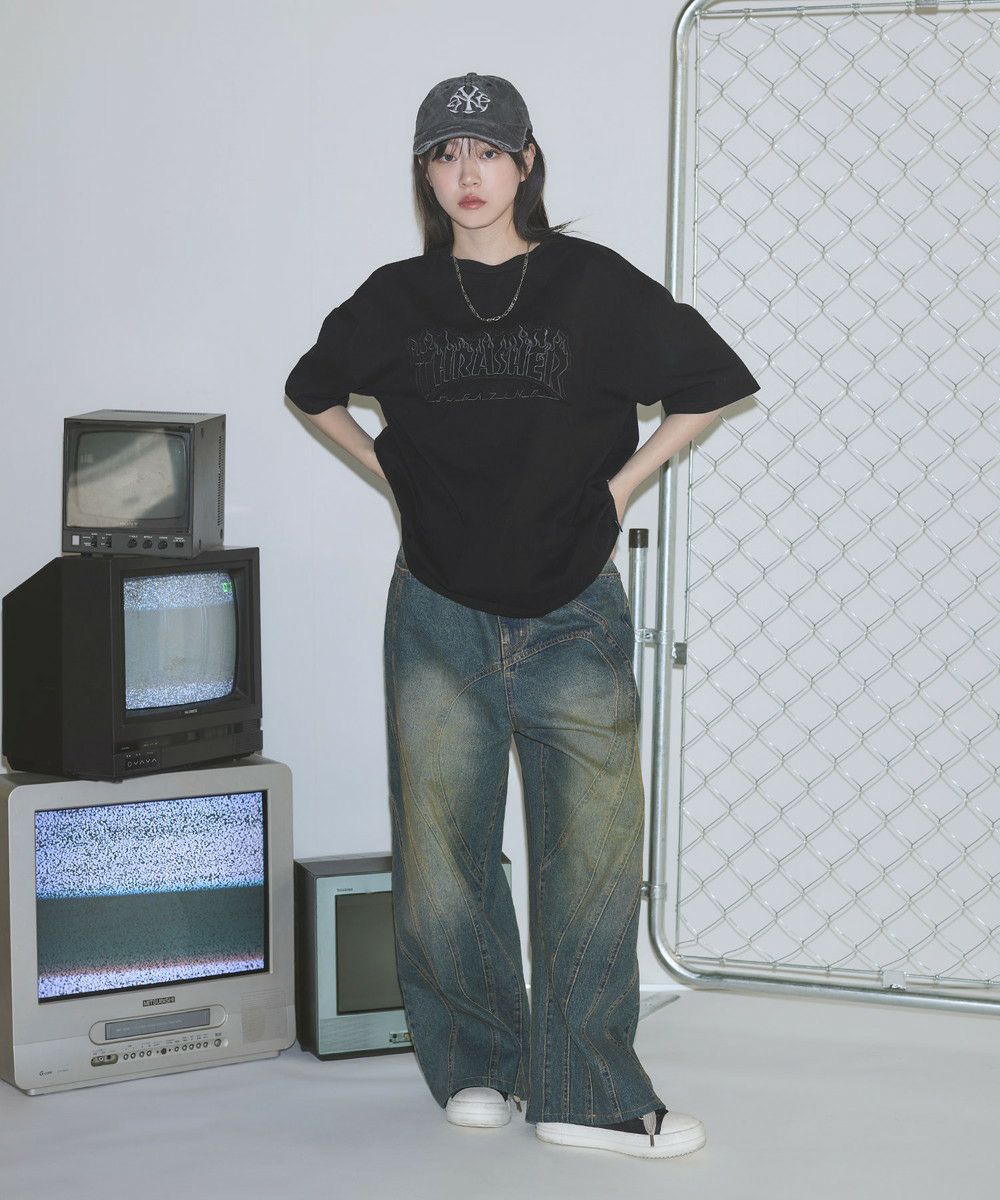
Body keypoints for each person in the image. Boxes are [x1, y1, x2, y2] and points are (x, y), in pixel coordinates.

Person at [284, 71, 761, 1160]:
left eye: (488, 151)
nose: (468, 172)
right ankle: (477, 1063)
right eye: (446, 153)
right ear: (424, 172)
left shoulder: (593, 285)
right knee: (442, 859)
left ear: (526, 163)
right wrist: (392, 477)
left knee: (593, 857)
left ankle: (585, 1088)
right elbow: (312, 388)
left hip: (573, 609)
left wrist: (622, 488)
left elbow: (713, 381)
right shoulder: (396, 299)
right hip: (438, 612)